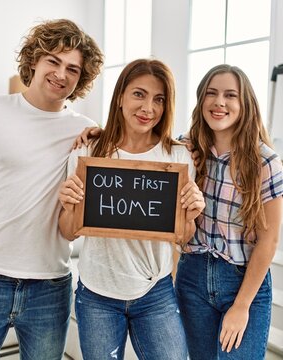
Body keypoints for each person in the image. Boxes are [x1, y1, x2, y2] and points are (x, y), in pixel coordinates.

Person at [0, 19, 104, 360]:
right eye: (53, 61)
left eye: (72, 68)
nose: (61, 74)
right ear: (33, 61)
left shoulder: (86, 133)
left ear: (81, 79)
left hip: (51, 287)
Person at [58, 58, 205, 360]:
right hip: (97, 292)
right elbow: (68, 232)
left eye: (158, 99)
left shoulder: (177, 156)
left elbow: (184, 237)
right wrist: (70, 202)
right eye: (139, 94)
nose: (148, 108)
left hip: (156, 292)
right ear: (121, 96)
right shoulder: (88, 153)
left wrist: (190, 215)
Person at [174, 64, 283, 360]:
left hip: (242, 281)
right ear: (201, 101)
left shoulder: (265, 162)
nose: (219, 102)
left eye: (230, 95)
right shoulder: (186, 149)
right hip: (193, 277)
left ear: (245, 104)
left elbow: (269, 241)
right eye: (211, 94)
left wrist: (241, 307)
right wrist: (97, 134)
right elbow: (139, 142)